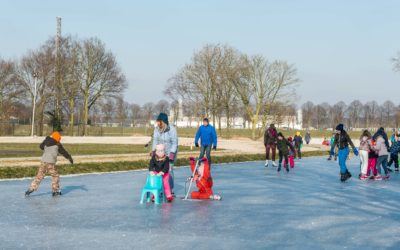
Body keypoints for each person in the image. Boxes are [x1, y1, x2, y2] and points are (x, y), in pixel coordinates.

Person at [25, 131, 73, 197]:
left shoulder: (46, 141)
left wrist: (46, 140)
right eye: (59, 139)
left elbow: (41, 147)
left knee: (39, 176)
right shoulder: (57, 144)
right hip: (51, 163)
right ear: (57, 138)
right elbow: (63, 152)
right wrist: (69, 157)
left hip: (43, 161)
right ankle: (55, 191)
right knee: (55, 176)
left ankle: (31, 189)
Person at [152, 113, 178, 194]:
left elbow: (174, 143)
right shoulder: (156, 129)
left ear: (164, 122)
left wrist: (172, 154)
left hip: (170, 152)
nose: (158, 124)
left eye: (160, 122)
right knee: (158, 170)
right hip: (160, 152)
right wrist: (153, 151)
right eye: (158, 122)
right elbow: (155, 140)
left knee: (169, 170)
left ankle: (170, 189)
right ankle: (161, 188)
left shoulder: (172, 129)